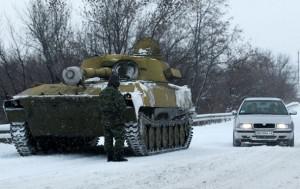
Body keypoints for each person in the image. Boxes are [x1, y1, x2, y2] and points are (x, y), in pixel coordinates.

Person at [100, 74, 127, 162]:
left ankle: (109, 156)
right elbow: (122, 106)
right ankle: (118, 156)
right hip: (116, 120)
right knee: (119, 137)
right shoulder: (115, 93)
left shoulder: (102, 92)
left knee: (108, 138)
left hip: (105, 119)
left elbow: (99, 106)